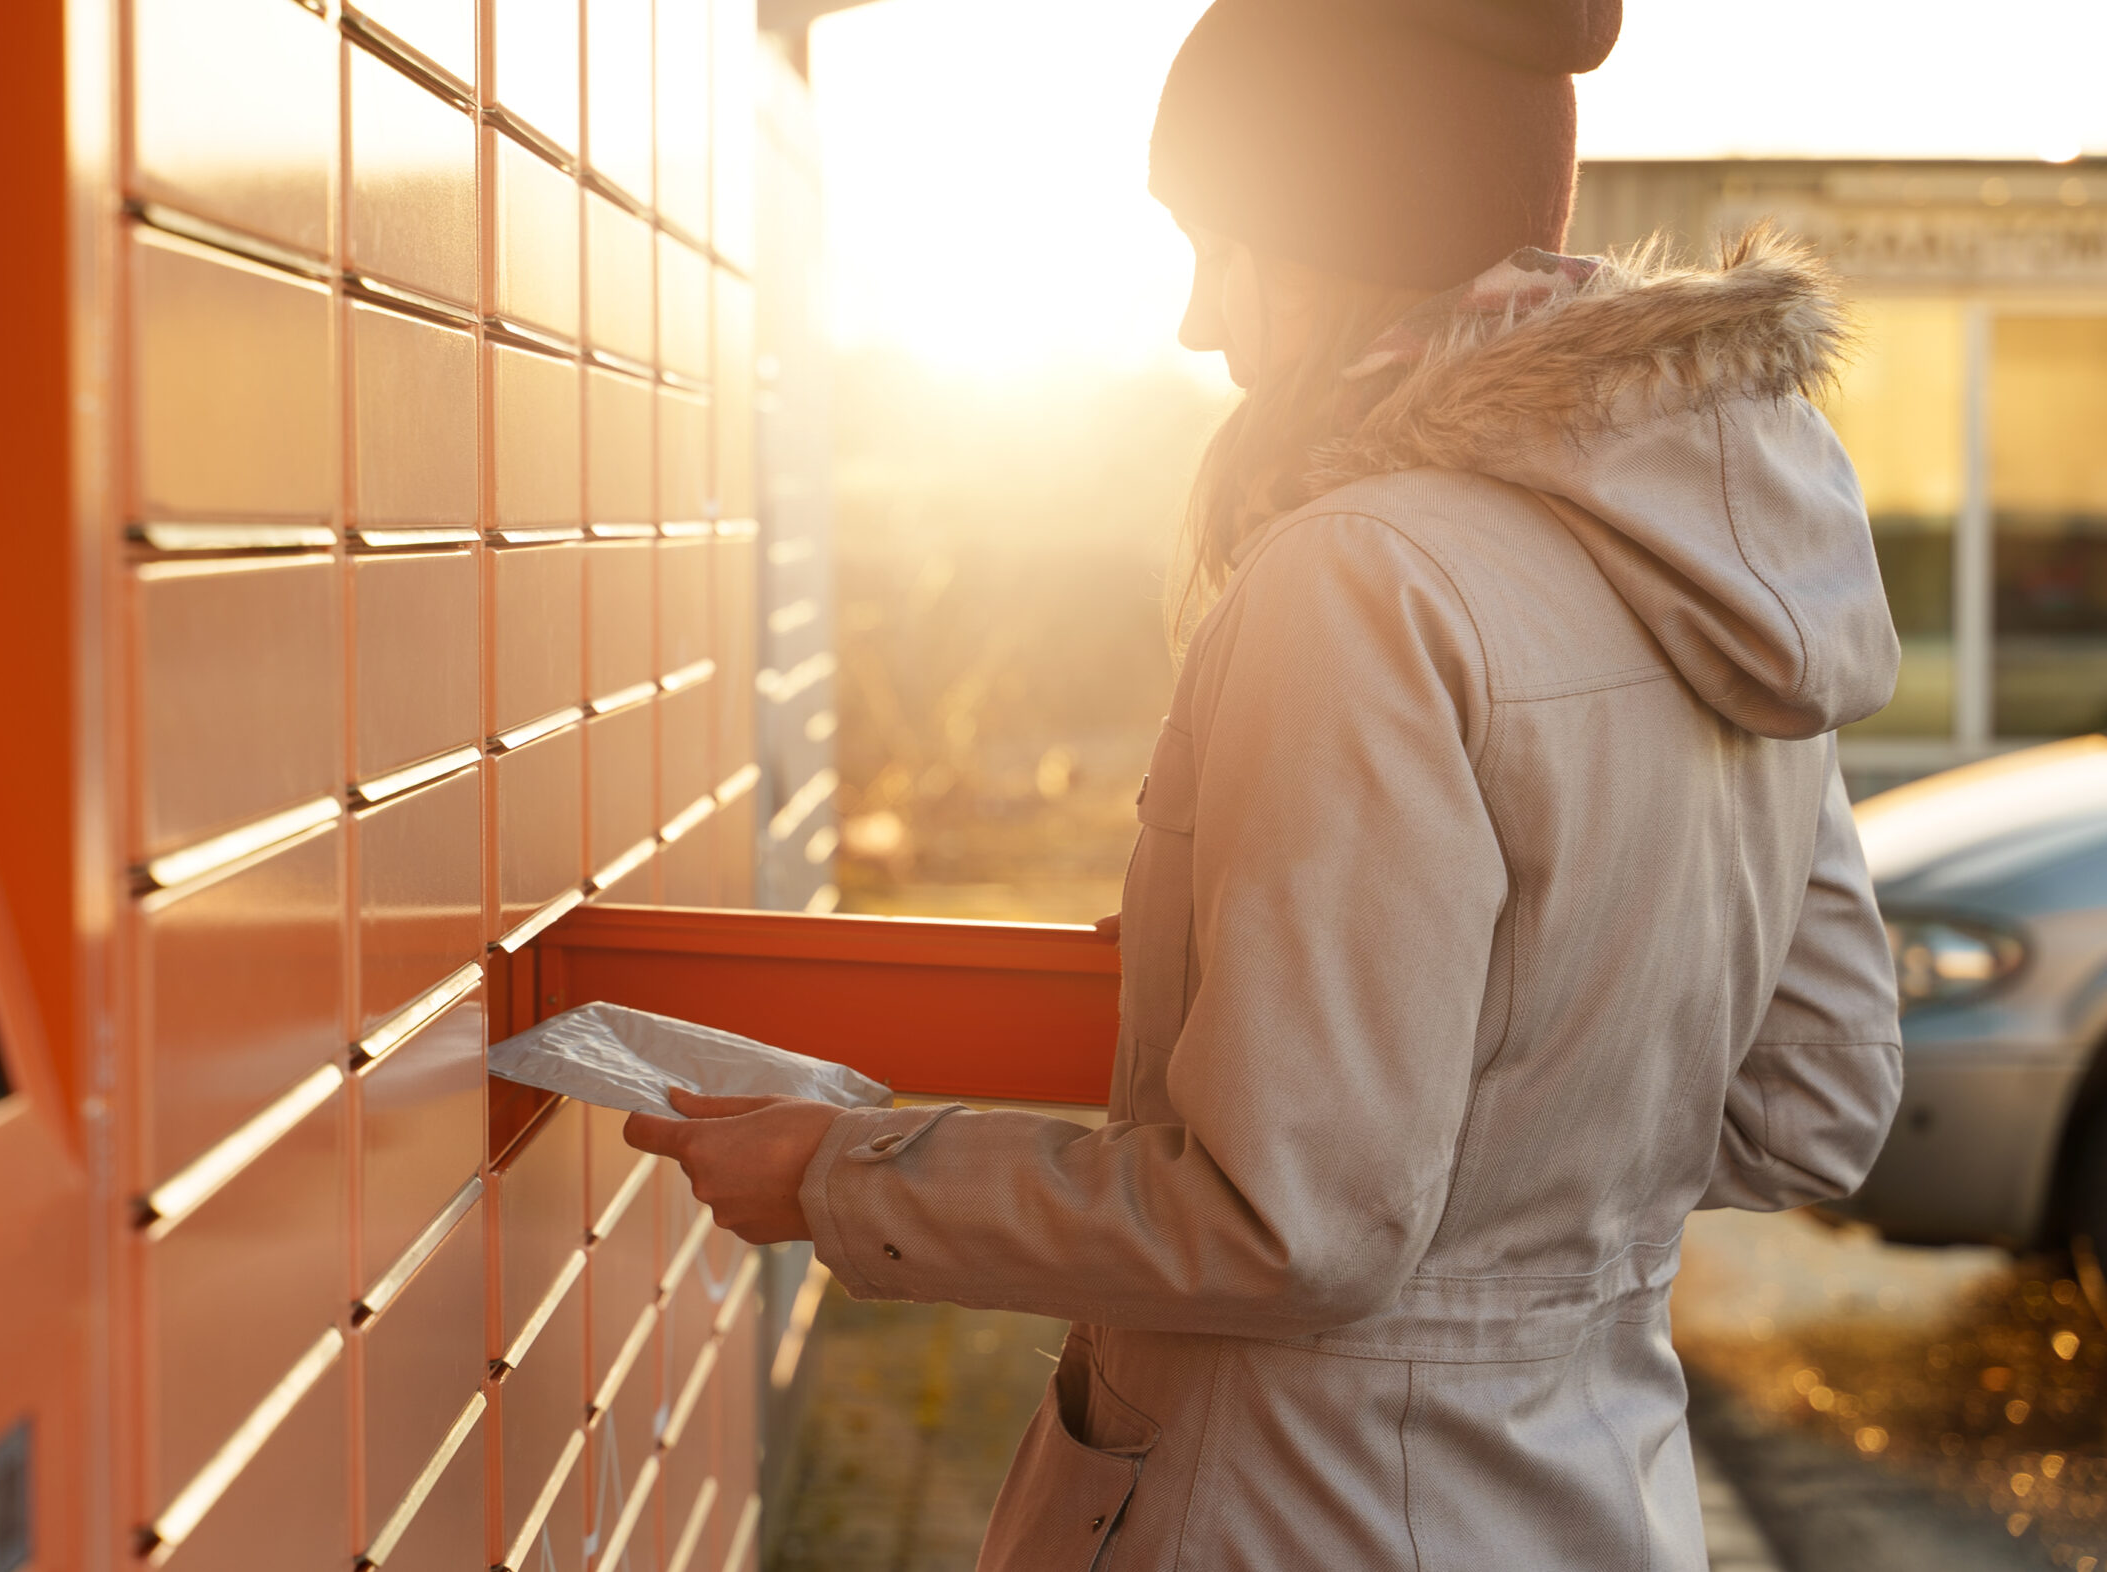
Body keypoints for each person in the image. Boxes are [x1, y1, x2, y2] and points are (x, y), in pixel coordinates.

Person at [626, 0, 1907, 1564]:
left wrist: (838, 1175)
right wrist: (1511, 1218)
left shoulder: (1362, 578)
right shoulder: (1733, 556)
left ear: (1336, 231)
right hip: (1600, 1500)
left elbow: (1289, 1223)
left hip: (1309, 1506)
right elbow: (1815, 1104)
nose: (1191, 324)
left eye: (1214, 245)